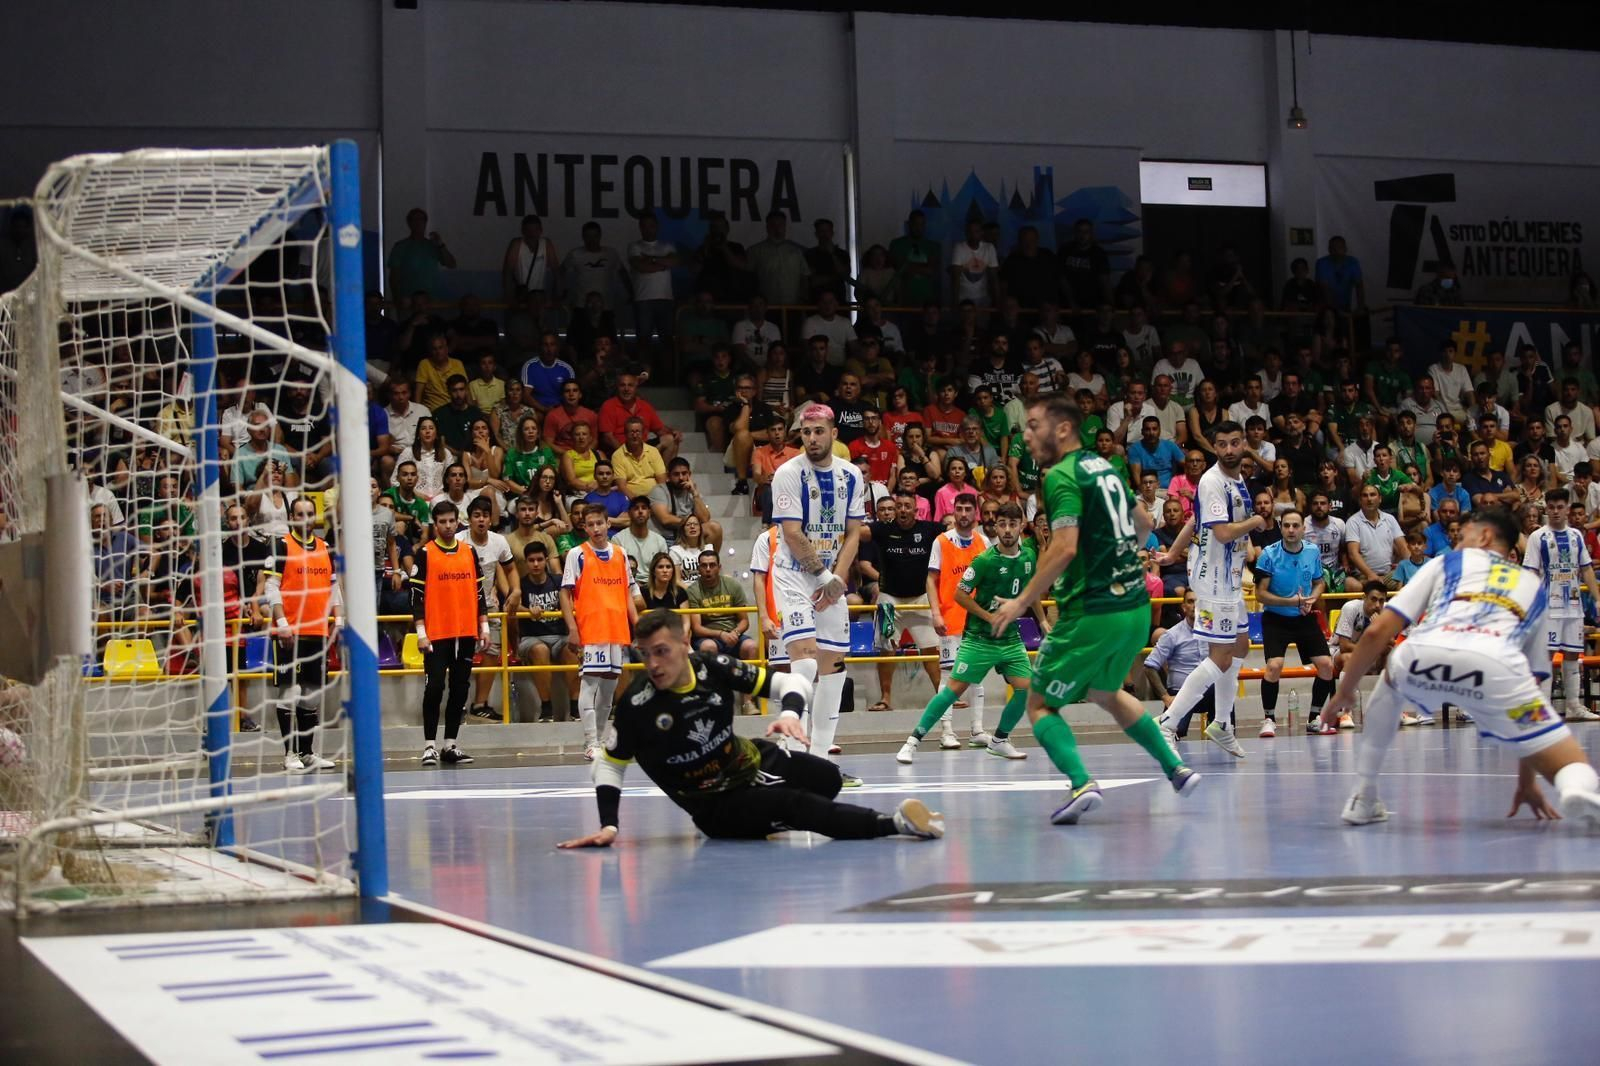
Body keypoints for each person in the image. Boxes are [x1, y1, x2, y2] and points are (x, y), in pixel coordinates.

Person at [557, 610, 943, 848]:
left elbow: (790, 684)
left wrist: (791, 713)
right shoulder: (637, 705)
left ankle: (772, 813)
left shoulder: (712, 667)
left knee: (827, 779)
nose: (654, 664)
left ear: (684, 644)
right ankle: (893, 823)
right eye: (646, 654)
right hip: (716, 804)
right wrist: (609, 824)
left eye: (663, 651)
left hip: (748, 757)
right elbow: (609, 764)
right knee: (796, 805)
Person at [989, 395, 1200, 825]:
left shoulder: (1060, 475)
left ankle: (1082, 783)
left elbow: (1064, 547)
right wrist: (1121, 561)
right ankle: (1175, 768)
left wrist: (1021, 602)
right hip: (1136, 607)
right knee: (1106, 693)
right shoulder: (1105, 468)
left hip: (1093, 611)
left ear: (1062, 430)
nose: (1025, 435)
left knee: (1040, 704)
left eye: (1033, 425)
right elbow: (1143, 523)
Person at [1322, 508, 1600, 827]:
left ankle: (1363, 795)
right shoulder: (1533, 587)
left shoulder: (1447, 562)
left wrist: (1345, 692)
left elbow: (1376, 631)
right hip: (1496, 667)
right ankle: (1576, 788)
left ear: (1483, 537)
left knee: (1391, 681)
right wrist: (1526, 779)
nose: (1456, 540)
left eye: (1464, 533)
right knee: (1569, 763)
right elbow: (1536, 680)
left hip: (1422, 655)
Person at [899, 502, 1043, 763]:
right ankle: (912, 741)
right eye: (1002, 524)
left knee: (1028, 690)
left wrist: (1043, 622)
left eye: (1013, 524)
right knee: (952, 690)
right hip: (979, 639)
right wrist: (990, 617)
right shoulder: (985, 560)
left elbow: (1031, 590)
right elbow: (959, 594)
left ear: (1022, 526)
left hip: (1010, 638)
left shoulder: (1029, 556)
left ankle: (999, 740)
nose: (1008, 530)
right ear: (995, 527)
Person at [769, 403, 868, 783]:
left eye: (818, 431)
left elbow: (854, 533)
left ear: (833, 433)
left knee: (833, 668)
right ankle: (794, 760)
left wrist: (838, 580)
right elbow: (792, 534)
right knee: (806, 663)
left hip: (830, 578)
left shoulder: (851, 476)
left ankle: (823, 763)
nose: (811, 438)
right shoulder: (787, 473)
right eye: (806, 432)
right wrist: (826, 576)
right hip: (794, 576)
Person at [1152, 421, 1261, 759]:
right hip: (1213, 580)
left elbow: (1194, 520)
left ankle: (1222, 724)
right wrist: (1255, 524)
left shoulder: (1237, 477)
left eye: (1234, 443)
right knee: (1220, 657)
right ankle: (1167, 723)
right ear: (1215, 447)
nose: (1229, 449)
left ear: (1243, 444)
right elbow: (1225, 532)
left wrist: (1171, 553)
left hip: (1230, 576)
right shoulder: (1213, 481)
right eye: (1223, 444)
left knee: (1241, 646)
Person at [263, 497, 341, 773]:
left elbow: (334, 588)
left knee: (310, 693)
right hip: (289, 633)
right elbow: (271, 587)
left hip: (317, 631)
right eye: (299, 513)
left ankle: (308, 753)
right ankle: (289, 754)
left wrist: (339, 619)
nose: (305, 518)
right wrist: (281, 621)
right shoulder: (282, 546)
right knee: (289, 691)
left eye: (310, 513)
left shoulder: (325, 548)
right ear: (292, 517)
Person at [411, 500, 489, 767]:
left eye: (451, 521)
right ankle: (429, 746)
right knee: (434, 688)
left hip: (465, 633)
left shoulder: (468, 551)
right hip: (435, 635)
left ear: (458, 522)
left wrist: (484, 627)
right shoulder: (425, 553)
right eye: (441, 522)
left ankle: (450, 745)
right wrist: (421, 632)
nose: (447, 526)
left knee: (459, 690)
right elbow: (417, 598)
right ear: (435, 524)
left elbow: (479, 593)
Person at [560, 506, 640, 760]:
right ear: (584, 527)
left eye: (599, 523)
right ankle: (590, 742)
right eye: (590, 524)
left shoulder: (621, 554)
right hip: (591, 629)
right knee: (589, 684)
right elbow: (565, 592)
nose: (595, 529)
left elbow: (627, 591)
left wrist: (636, 623)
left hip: (616, 629)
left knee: (608, 691)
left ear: (608, 524)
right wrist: (572, 628)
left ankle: (602, 740)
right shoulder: (577, 554)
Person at [859, 489, 945, 717]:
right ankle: (885, 698)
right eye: (899, 506)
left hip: (921, 599)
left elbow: (952, 531)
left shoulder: (930, 530)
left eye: (908, 506)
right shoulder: (882, 529)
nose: (903, 510)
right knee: (886, 649)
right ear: (895, 509)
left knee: (931, 649)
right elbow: (858, 533)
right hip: (889, 600)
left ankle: (943, 695)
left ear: (916, 509)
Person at [1252, 510, 1336, 739]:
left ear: (1303, 529)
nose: (1291, 530)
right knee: (1274, 666)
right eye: (1286, 525)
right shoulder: (1268, 555)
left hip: (1304, 616)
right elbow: (1261, 595)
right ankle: (1268, 719)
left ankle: (1315, 718)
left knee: (1327, 665)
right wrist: (1291, 601)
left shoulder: (1312, 551)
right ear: (1281, 528)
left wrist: (1310, 599)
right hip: (1275, 618)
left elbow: (1319, 582)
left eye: (1295, 526)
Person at [1524, 489, 1600, 722]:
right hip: (1548, 605)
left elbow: (1586, 569)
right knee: (1546, 655)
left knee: (1572, 654)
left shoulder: (1577, 535)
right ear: (1546, 509)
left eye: (1560, 507)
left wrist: (1597, 600)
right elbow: (1530, 572)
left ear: (1567, 509)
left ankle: (1574, 706)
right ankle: (1544, 708)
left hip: (1574, 605)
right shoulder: (1538, 537)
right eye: (1552, 507)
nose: (1556, 512)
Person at [462, 497, 514, 722]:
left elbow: (510, 569)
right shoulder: (457, 541)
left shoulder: (499, 542)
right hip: (461, 607)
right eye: (476, 515)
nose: (481, 519)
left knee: (493, 652)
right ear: (469, 519)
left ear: (491, 519)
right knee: (460, 656)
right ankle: (459, 705)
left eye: (485, 515)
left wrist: (516, 591)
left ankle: (479, 704)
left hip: (488, 606)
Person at [509, 541, 569, 723]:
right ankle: (546, 708)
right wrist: (528, 611)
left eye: (540, 560)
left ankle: (575, 708)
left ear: (546, 561)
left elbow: (571, 603)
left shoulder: (558, 581)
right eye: (531, 560)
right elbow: (509, 607)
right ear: (526, 562)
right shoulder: (520, 584)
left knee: (573, 650)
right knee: (540, 650)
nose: (536, 564)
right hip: (532, 638)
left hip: (560, 636)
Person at [1145, 591, 1215, 744]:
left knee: (1223, 693)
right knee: (1176, 732)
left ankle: (1224, 729)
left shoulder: (1212, 630)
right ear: (1183, 607)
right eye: (1191, 601)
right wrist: (1165, 697)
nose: (1195, 605)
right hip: (1181, 693)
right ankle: (1165, 723)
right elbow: (1149, 666)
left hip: (1208, 691)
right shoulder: (1172, 635)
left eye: (1200, 601)